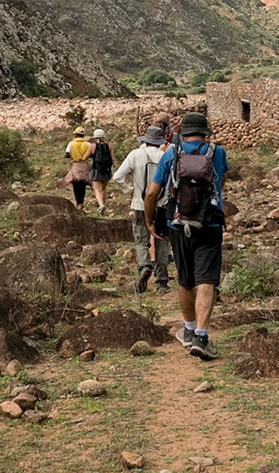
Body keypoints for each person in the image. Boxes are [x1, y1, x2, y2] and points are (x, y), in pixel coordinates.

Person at [142, 112, 228, 360]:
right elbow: (221, 180)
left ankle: (189, 330)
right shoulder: (217, 152)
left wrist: (150, 221)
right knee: (207, 281)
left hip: (177, 225)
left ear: (183, 132)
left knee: (185, 280)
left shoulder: (171, 153)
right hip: (209, 225)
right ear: (205, 132)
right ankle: (201, 336)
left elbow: (152, 192)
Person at [114, 124, 170, 293]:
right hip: (162, 206)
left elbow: (117, 177)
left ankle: (144, 266)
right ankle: (162, 282)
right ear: (160, 141)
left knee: (141, 241)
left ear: (145, 140)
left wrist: (129, 190)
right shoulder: (165, 156)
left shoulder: (136, 154)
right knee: (162, 242)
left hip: (140, 205)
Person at [63, 128, 94, 209]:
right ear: (83, 135)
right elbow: (91, 154)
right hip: (85, 165)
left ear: (76, 135)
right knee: (83, 183)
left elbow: (66, 154)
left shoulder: (71, 144)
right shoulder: (88, 144)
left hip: (75, 165)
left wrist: (73, 155)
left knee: (75, 183)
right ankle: (82, 202)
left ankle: (78, 202)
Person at [89, 128, 115, 212]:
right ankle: (104, 204)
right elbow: (113, 159)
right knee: (103, 189)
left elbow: (84, 157)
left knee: (97, 189)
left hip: (96, 170)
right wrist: (119, 169)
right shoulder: (109, 146)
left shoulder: (93, 146)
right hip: (107, 170)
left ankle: (101, 205)